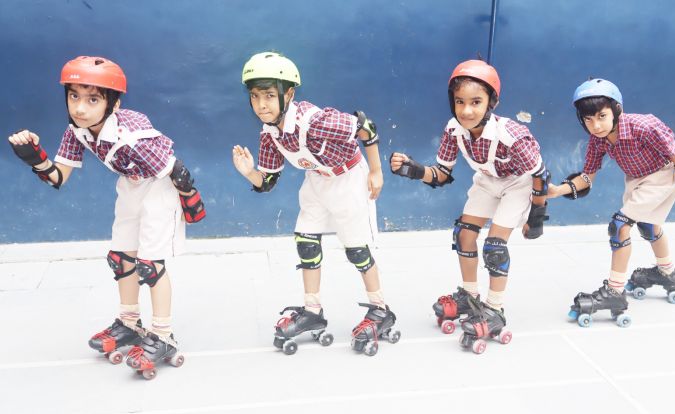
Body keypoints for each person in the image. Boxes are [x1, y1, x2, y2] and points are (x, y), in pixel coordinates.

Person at [7, 56, 206, 378]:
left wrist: (189, 201)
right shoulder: (77, 131)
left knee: (150, 264)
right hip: (130, 185)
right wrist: (34, 157)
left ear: (113, 104)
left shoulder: (133, 134)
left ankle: (164, 335)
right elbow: (58, 178)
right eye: (74, 96)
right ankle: (129, 323)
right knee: (121, 259)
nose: (80, 108)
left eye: (92, 99)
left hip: (158, 189)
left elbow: (176, 170)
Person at [232, 51, 400, 356]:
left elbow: (367, 127)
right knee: (306, 242)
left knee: (357, 250)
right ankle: (312, 311)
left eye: (269, 95)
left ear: (289, 94)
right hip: (317, 180)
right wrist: (249, 173)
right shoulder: (270, 134)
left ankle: (380, 309)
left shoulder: (315, 122)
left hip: (349, 178)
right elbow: (268, 181)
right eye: (255, 96)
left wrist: (376, 172)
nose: (261, 104)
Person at [390, 59, 549, 353]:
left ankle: (495, 309)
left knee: (494, 247)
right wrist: (414, 170)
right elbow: (442, 174)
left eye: (476, 102)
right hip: (488, 180)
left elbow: (541, 176)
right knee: (463, 233)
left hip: (518, 184)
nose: (466, 110)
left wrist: (536, 217)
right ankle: (469, 294)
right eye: (459, 101)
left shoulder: (511, 135)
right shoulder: (454, 130)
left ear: (491, 103)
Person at [548, 78, 675, 327]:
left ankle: (615, 292)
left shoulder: (644, 126)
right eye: (588, 119)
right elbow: (587, 178)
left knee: (620, 226)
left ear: (616, 110)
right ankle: (667, 273)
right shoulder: (598, 140)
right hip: (636, 180)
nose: (596, 125)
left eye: (602, 116)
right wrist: (555, 191)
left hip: (662, 177)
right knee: (648, 226)